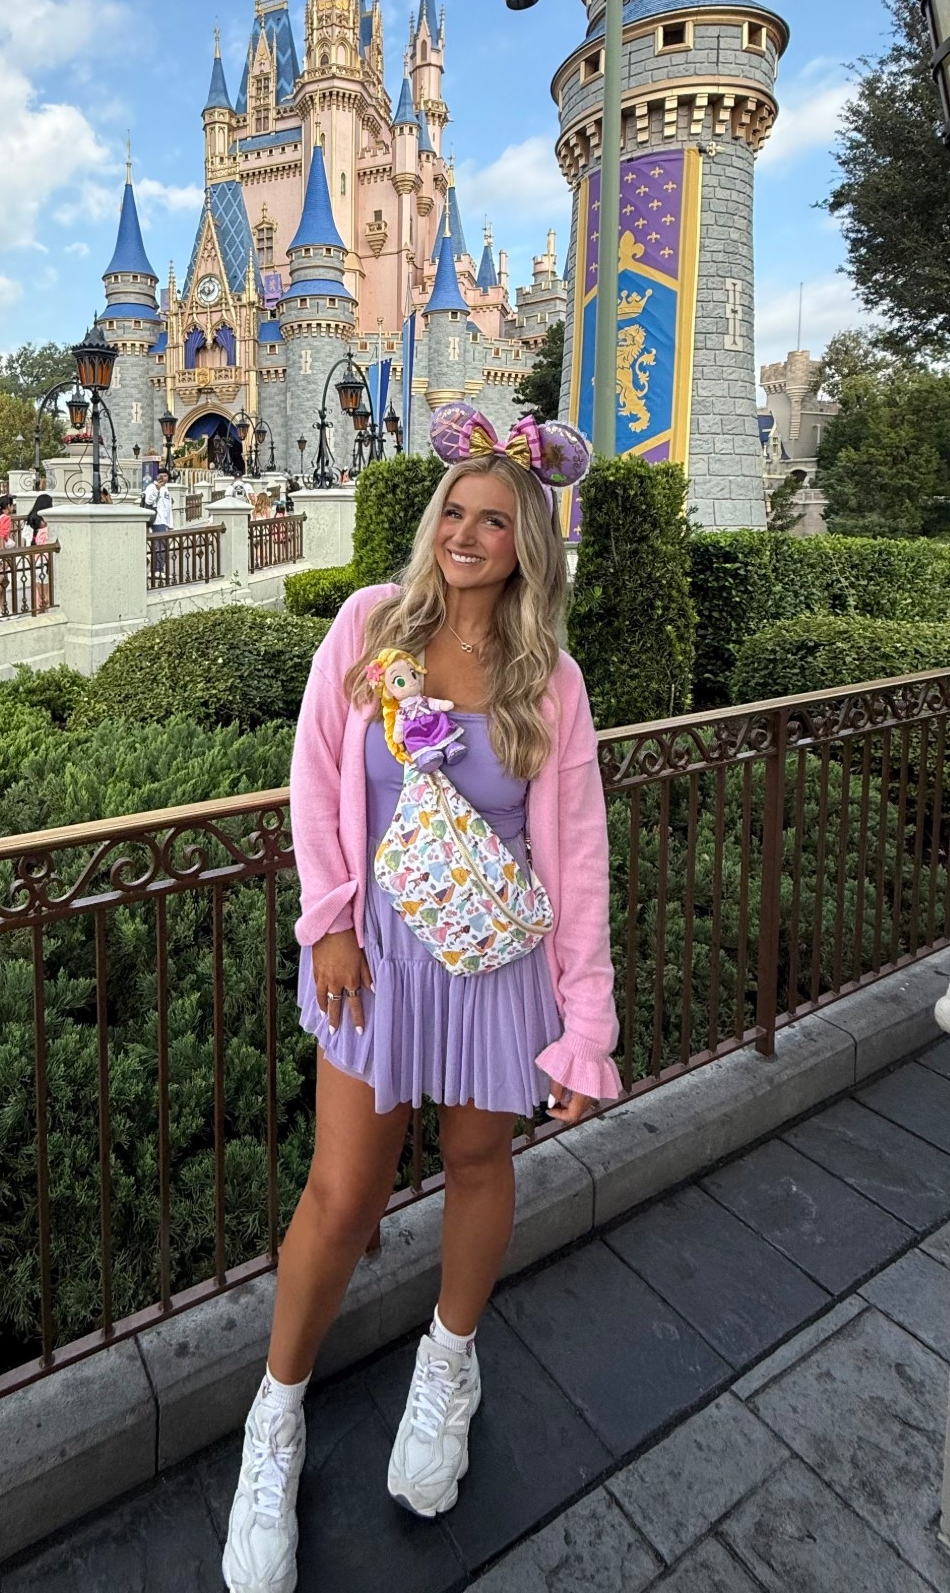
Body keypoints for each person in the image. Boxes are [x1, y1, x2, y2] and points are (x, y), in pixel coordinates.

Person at [222, 403, 621, 1592]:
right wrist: (331, 918)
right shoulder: (365, 627)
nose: (468, 530)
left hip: (496, 958)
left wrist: (585, 1025)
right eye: (456, 508)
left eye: (497, 518)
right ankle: (274, 1421)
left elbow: (579, 855)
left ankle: (449, 1365)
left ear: (529, 542)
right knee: (341, 1194)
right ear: (431, 519)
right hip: (379, 958)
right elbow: (314, 781)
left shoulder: (550, 677)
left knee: (477, 1161)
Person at [24, 494, 53, 612]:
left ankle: (38, 612)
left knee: (38, 590)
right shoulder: (46, 524)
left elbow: (25, 540)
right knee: (47, 594)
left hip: (33, 559)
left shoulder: (29, 521)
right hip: (45, 561)